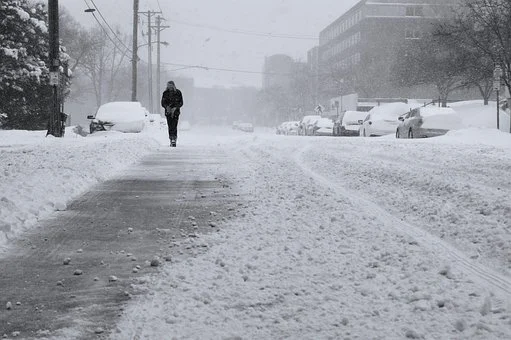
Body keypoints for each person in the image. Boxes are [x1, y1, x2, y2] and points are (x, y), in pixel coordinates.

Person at [161, 80, 184, 147]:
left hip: (176, 112)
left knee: (174, 125)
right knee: (170, 125)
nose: (170, 87)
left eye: (171, 85)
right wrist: (167, 107)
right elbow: (163, 103)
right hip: (168, 112)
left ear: (173, 85)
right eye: (168, 86)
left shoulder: (178, 92)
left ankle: (174, 138)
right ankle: (171, 138)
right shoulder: (165, 93)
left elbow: (181, 102)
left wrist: (176, 107)